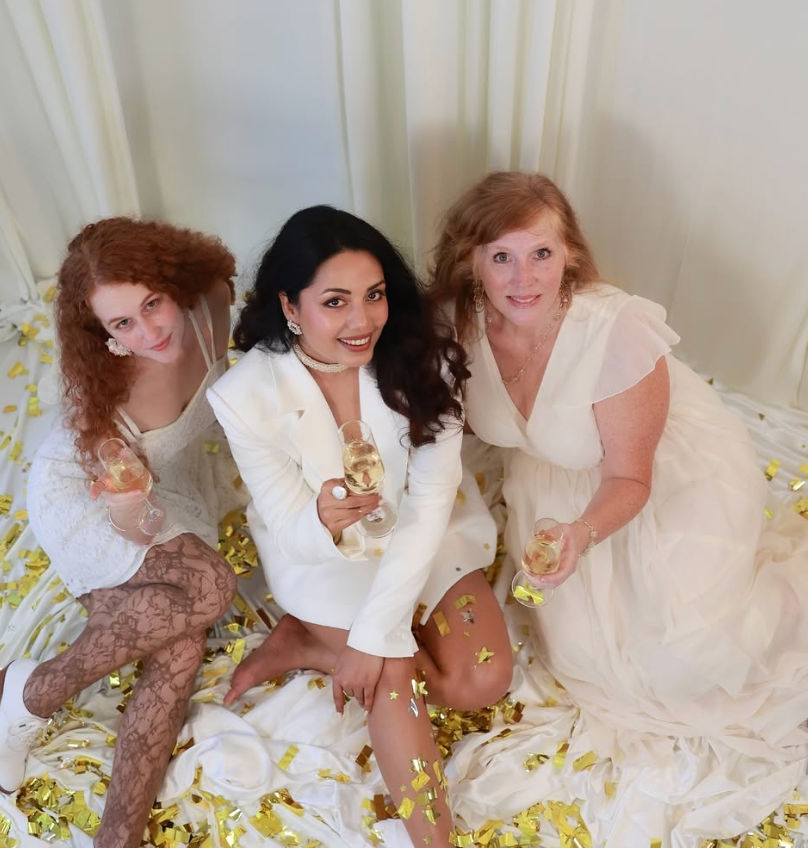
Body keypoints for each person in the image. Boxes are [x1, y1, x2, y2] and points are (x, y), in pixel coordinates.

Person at [429, 171, 808, 838]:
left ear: (570, 253)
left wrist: (580, 535)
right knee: (582, 658)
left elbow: (631, 477)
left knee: (689, 661)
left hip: (654, 476)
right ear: (472, 262)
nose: (524, 278)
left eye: (541, 253)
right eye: (502, 257)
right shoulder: (458, 325)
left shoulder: (615, 331)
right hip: (554, 477)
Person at [207, 205, 512, 847]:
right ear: (290, 306)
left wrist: (372, 634)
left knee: (480, 680)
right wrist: (319, 521)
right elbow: (287, 522)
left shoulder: (419, 356)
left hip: (424, 539)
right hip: (325, 562)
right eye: (335, 301)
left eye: (373, 296)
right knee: (393, 674)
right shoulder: (245, 396)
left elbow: (430, 502)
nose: (361, 320)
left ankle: (317, 647)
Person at [1, 218, 240, 848]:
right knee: (211, 585)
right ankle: (32, 697)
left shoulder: (213, 299)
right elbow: (134, 522)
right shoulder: (102, 402)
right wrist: (132, 502)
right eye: (122, 325)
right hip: (91, 501)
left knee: (182, 646)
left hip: (174, 486)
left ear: (172, 280)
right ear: (102, 336)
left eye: (152, 304)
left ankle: (117, 837)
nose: (149, 331)